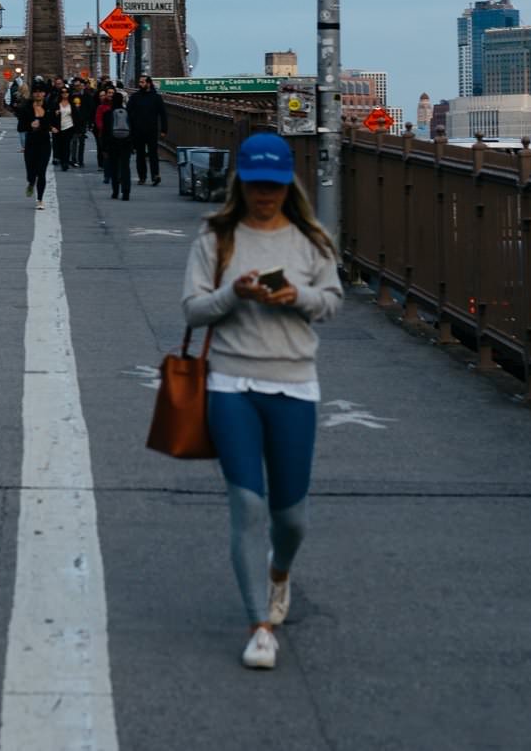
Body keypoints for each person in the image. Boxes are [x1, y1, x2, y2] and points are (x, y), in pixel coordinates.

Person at [178, 132, 340, 671]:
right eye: (255, 186)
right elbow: (194, 309)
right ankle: (259, 625)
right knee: (247, 505)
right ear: (241, 184)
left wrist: (297, 298)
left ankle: (279, 572)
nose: (264, 196)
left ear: (286, 184)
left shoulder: (310, 241)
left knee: (290, 517)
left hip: (294, 382)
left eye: (273, 186)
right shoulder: (216, 237)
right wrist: (233, 295)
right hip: (231, 383)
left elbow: (331, 303)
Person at [129, 75, 168, 185]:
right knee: (140, 155)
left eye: (142, 82)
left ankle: (155, 176)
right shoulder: (134, 97)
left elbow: (163, 114)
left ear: (148, 84)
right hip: (138, 131)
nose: (140, 84)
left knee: (153, 154)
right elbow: (129, 112)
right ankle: (142, 177)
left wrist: (164, 130)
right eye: (139, 82)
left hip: (152, 130)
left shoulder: (156, 97)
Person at [96, 86, 133, 200]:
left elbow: (105, 132)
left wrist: (104, 148)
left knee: (114, 167)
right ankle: (126, 192)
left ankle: (115, 191)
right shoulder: (127, 113)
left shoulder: (108, 114)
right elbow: (132, 129)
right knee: (125, 167)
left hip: (112, 143)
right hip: (126, 143)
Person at [22, 95, 54, 209]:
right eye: (36, 92)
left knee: (41, 172)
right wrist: (30, 126)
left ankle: (40, 200)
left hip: (44, 144)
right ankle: (31, 182)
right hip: (31, 144)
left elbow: (51, 122)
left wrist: (51, 127)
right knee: (31, 173)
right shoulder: (27, 109)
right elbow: (20, 127)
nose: (38, 94)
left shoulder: (49, 108)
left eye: (41, 92)